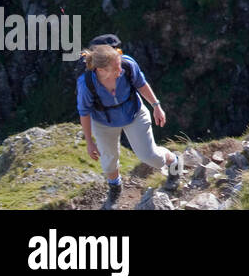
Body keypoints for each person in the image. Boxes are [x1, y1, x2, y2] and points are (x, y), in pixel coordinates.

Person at [76, 41, 181, 208]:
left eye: (119, 64)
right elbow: (84, 112)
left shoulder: (128, 64)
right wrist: (89, 142)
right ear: (101, 70)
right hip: (103, 122)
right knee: (108, 160)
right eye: (116, 68)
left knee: (151, 157)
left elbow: (141, 83)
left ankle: (174, 161)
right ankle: (115, 188)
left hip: (134, 113)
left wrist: (156, 106)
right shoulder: (86, 84)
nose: (121, 70)